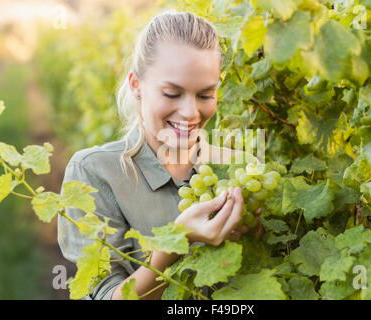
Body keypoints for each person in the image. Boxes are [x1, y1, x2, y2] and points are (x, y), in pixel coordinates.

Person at [58, 9, 261, 300]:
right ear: (136, 86)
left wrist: (256, 232)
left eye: (205, 95)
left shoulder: (239, 167)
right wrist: (176, 242)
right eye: (172, 93)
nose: (191, 112)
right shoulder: (93, 173)